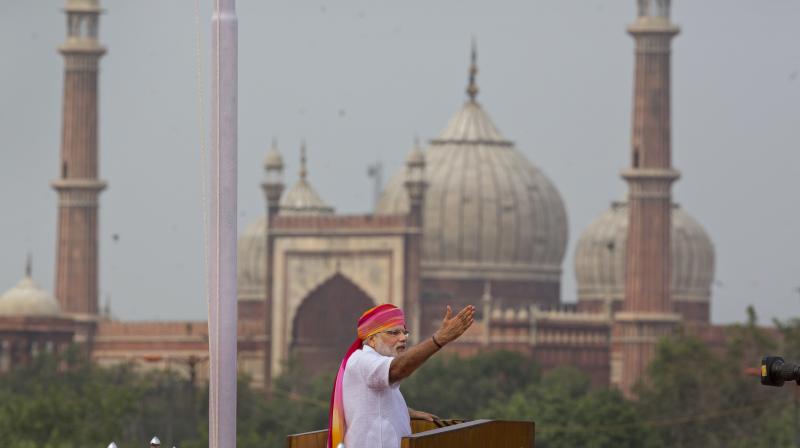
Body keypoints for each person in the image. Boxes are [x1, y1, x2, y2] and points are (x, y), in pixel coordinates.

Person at [327, 303, 475, 448]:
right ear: (372, 340)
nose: (403, 338)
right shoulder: (363, 360)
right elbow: (397, 370)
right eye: (394, 333)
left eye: (404, 332)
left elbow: (375, 402)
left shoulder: (375, 363)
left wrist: (405, 412)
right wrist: (439, 339)